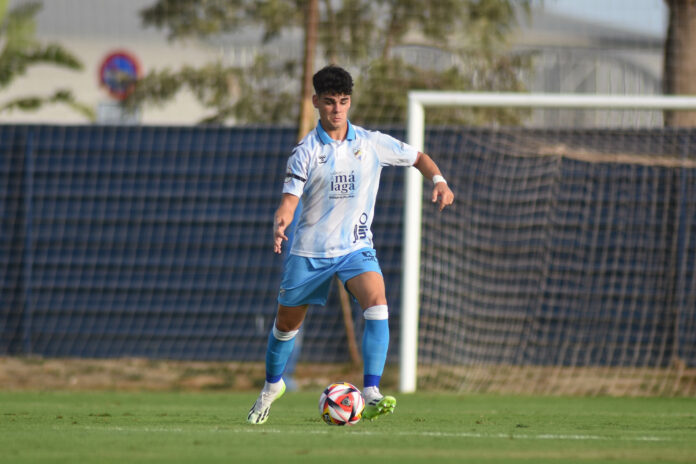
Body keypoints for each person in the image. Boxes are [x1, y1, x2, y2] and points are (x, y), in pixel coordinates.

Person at [247, 65, 454, 425]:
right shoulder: (306, 151)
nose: (337, 109)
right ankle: (271, 387)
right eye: (329, 102)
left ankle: (371, 391)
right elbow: (289, 200)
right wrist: (282, 219)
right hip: (309, 253)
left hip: (355, 248)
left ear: (350, 102)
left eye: (343, 102)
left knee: (378, 303)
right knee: (285, 328)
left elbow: (418, 157)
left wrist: (438, 179)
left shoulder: (371, 143)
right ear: (316, 102)